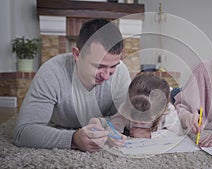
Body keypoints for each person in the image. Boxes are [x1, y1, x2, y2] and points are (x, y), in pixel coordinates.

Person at [14, 18, 131, 152]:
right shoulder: (52, 72)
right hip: (59, 126)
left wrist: (108, 127)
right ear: (77, 54)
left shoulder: (121, 72)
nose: (106, 75)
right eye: (99, 66)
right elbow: (22, 132)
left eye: (113, 67)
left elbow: (124, 119)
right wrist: (73, 139)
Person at [111, 74, 183, 138]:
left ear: (162, 111)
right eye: (134, 116)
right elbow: (113, 127)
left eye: (144, 119)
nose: (138, 123)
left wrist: (148, 134)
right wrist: (114, 135)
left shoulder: (168, 110)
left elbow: (177, 133)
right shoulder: (125, 108)